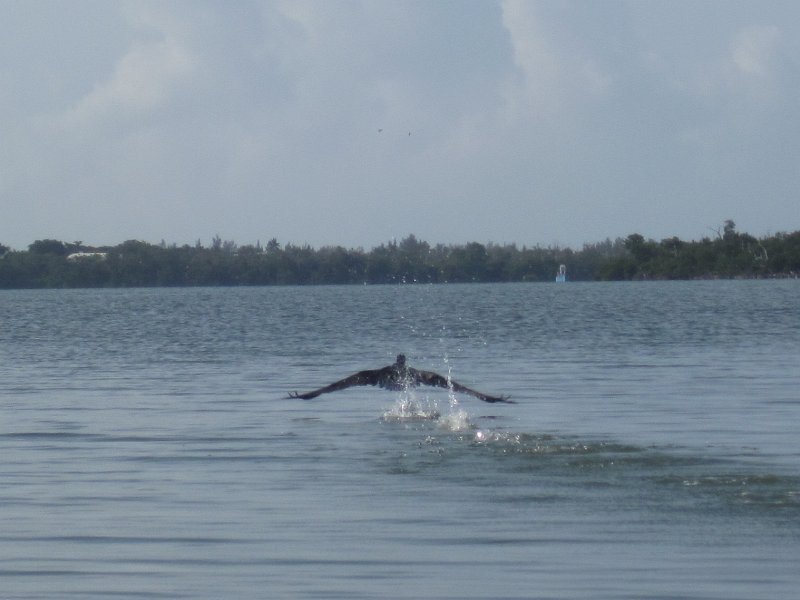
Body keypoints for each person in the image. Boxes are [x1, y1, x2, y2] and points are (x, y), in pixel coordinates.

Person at [289, 354, 512, 403]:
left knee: (444, 381)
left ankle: (487, 398)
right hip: (387, 381)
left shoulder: (417, 374)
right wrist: (312, 394)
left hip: (393, 382)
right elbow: (337, 385)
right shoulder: (379, 373)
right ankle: (487, 398)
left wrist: (483, 396)